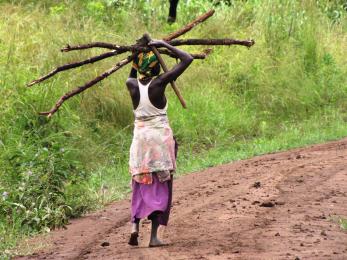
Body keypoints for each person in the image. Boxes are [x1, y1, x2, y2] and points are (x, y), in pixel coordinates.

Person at [126, 39, 193, 247]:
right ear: (156, 66)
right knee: (160, 184)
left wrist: (136, 54)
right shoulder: (159, 83)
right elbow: (187, 59)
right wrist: (164, 43)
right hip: (159, 143)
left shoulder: (131, 85)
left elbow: (131, 74)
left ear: (138, 66)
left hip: (139, 142)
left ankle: (134, 227)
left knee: (140, 181)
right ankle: (154, 237)